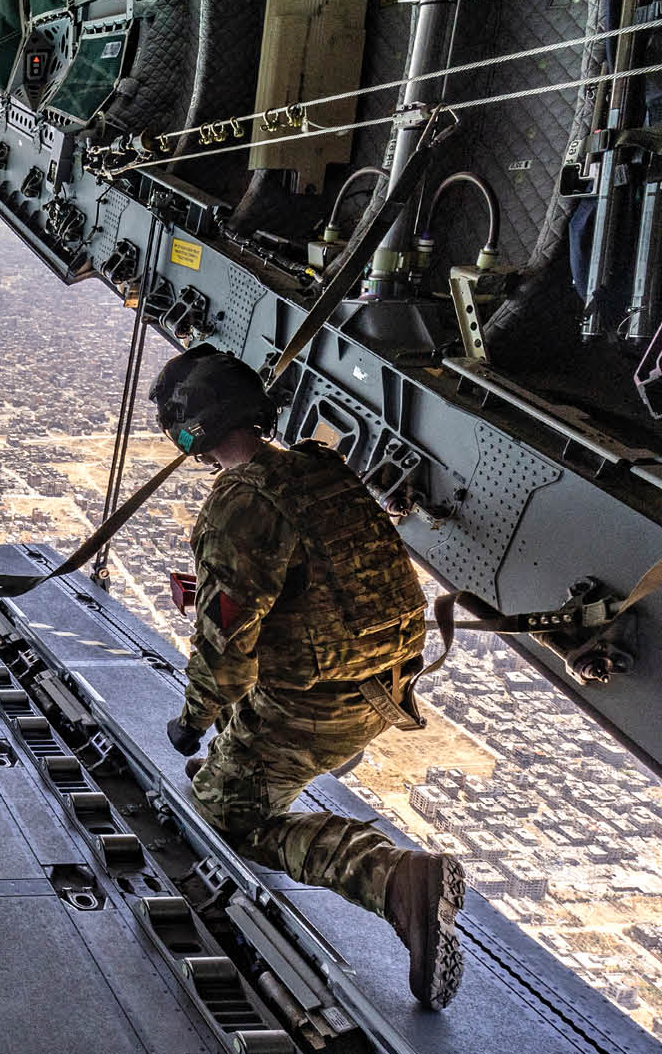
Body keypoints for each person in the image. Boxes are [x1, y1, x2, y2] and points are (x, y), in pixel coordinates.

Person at [153, 345, 465, 1008]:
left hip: (316, 706)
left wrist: (192, 720)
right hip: (386, 687)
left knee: (226, 819)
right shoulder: (319, 467)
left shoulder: (239, 504)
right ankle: (237, 766)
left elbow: (225, 651)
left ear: (196, 427)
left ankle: (395, 880)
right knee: (236, 755)